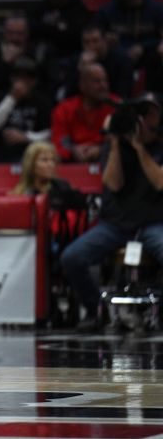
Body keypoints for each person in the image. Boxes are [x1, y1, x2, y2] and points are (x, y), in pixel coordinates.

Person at [60, 92, 163, 331]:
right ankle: (97, 310)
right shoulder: (116, 144)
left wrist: (139, 148)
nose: (143, 120)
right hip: (116, 224)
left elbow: (159, 182)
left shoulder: (159, 145)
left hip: (153, 222)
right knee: (72, 258)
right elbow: (113, 183)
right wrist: (116, 142)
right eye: (140, 114)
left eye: (149, 113)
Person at [0, 57, 52, 163]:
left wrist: (26, 137)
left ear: (34, 81)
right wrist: (12, 98)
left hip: (31, 156)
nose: (22, 81)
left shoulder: (41, 102)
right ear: (11, 78)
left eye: (26, 77)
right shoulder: (0, 97)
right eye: (18, 76)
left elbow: (50, 134)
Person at [51, 62, 116, 163]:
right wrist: (72, 150)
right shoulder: (64, 109)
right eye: (97, 81)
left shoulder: (116, 107)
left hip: (108, 162)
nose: (103, 85)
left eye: (105, 81)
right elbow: (60, 141)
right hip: (72, 162)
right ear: (82, 85)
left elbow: (123, 142)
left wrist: (101, 150)